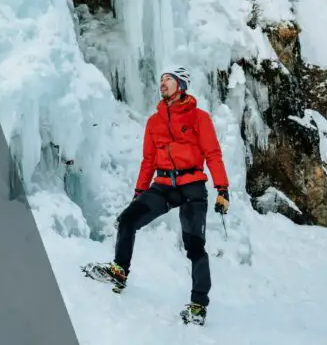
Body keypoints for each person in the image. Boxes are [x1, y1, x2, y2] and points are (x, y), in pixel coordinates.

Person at [93, 66, 230, 326]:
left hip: (192, 186)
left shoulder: (199, 117)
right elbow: (148, 161)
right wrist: (138, 193)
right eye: (161, 80)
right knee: (128, 219)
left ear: (181, 85)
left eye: (168, 79)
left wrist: (222, 189)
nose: (162, 83)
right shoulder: (154, 121)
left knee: (195, 246)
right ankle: (119, 271)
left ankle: (198, 305)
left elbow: (212, 153)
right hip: (164, 184)